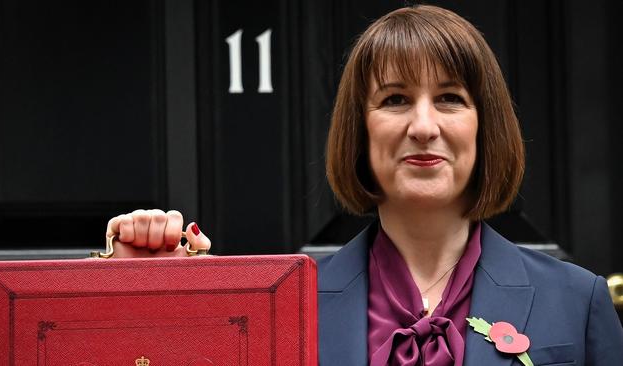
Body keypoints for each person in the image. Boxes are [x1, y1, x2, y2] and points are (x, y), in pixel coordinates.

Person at [106, 5, 623, 365]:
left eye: (449, 98)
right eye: (395, 99)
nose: (423, 126)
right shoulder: (282, 306)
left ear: (485, 126)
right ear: (360, 129)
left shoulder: (578, 301)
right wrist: (150, 297)